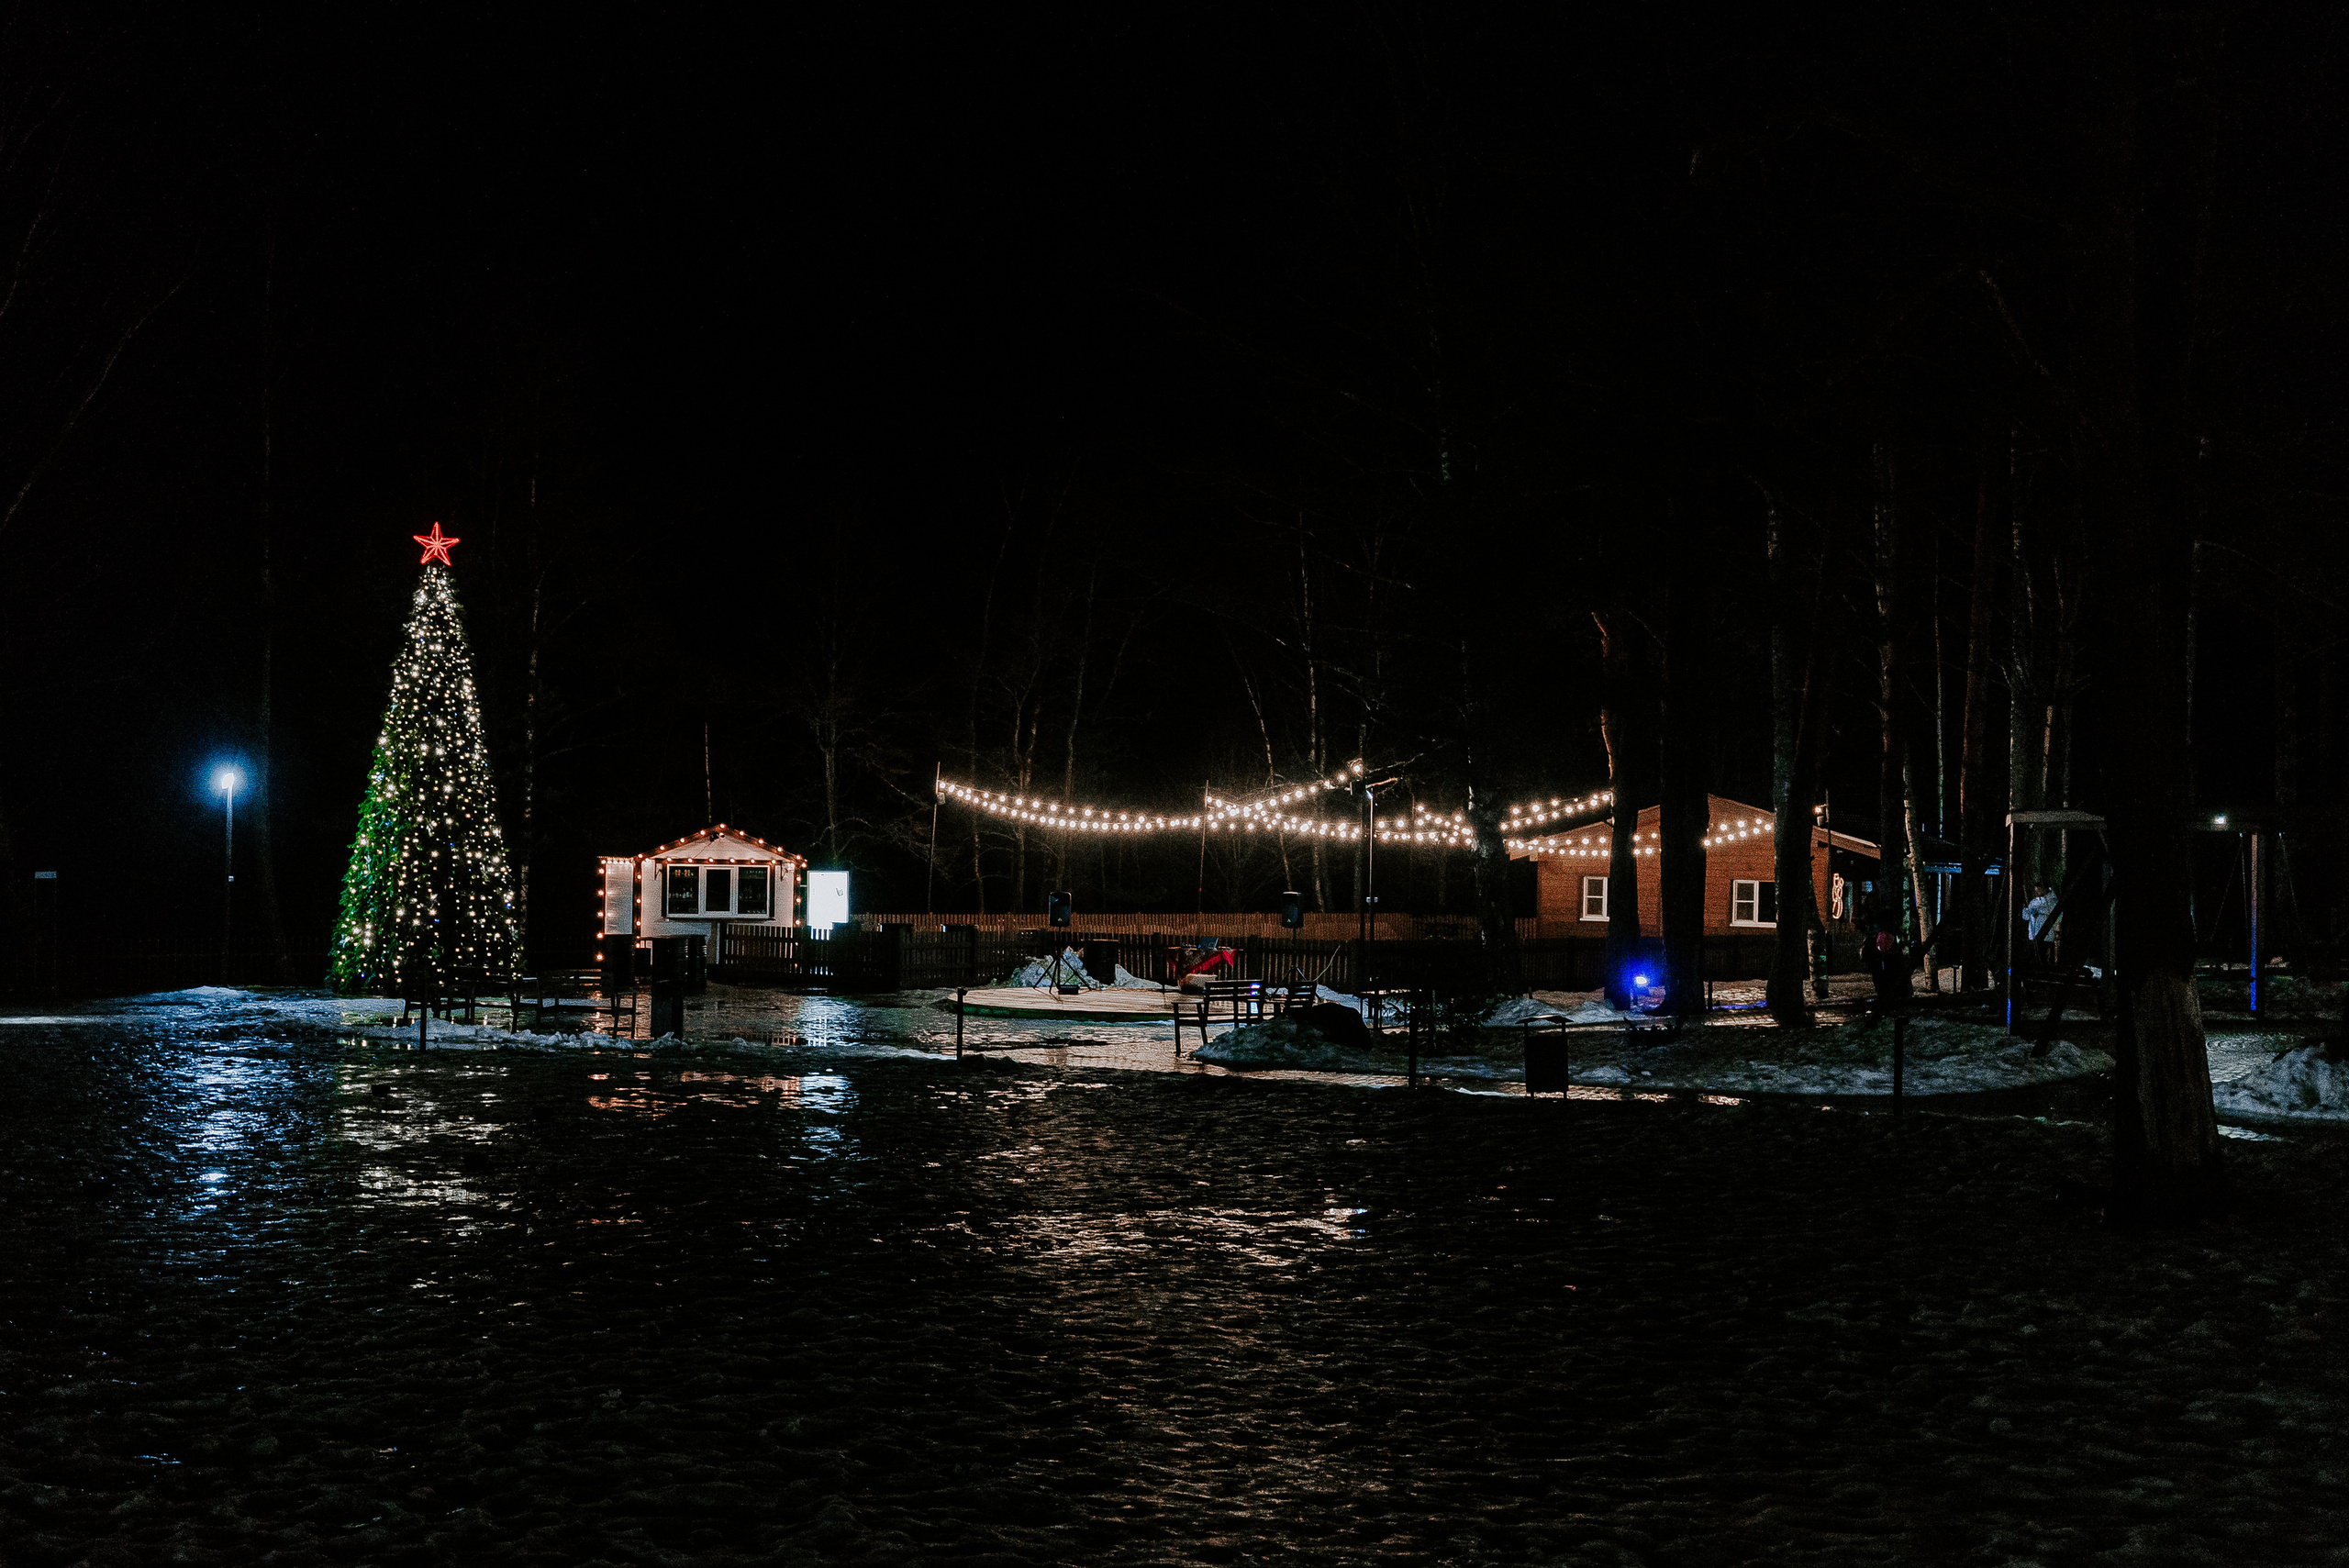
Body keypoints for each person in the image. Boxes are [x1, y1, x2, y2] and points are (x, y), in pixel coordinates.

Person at [1865, 912, 1908, 1010]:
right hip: (1887, 955)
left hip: (1883, 956)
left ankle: (1885, 996)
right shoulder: (1890, 931)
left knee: (1882, 975)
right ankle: (1887, 996)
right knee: (1886, 974)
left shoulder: (1879, 932)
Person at [2021, 883, 2059, 966]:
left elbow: (2050, 911)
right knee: (2035, 957)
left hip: (2046, 936)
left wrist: (2037, 912)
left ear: (2044, 889)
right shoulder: (2034, 901)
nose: (2036, 892)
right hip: (2034, 934)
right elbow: (2026, 916)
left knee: (2044, 957)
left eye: (2038, 890)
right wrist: (2024, 909)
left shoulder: (2053, 901)